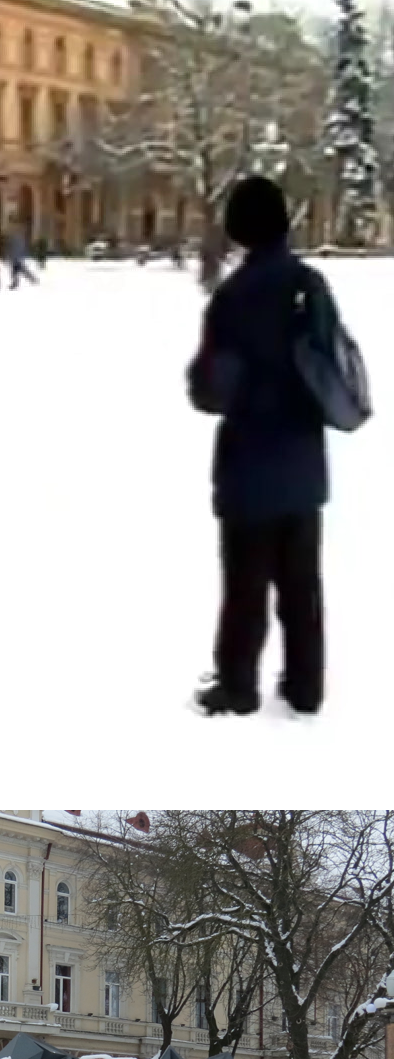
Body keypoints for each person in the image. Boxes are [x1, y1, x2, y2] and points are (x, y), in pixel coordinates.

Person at [188, 175, 338, 718]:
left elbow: (210, 390)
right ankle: (305, 685)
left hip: (248, 462)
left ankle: (237, 685)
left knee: (245, 584)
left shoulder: (232, 298)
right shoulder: (309, 285)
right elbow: (330, 367)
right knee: (302, 584)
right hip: (302, 460)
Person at [6, 222, 38, 288]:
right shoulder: (18, 236)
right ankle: (17, 282)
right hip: (15, 256)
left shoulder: (16, 236)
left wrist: (10, 254)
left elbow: (13, 246)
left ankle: (32, 279)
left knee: (19, 269)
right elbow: (13, 246)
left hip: (16, 256)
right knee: (17, 270)